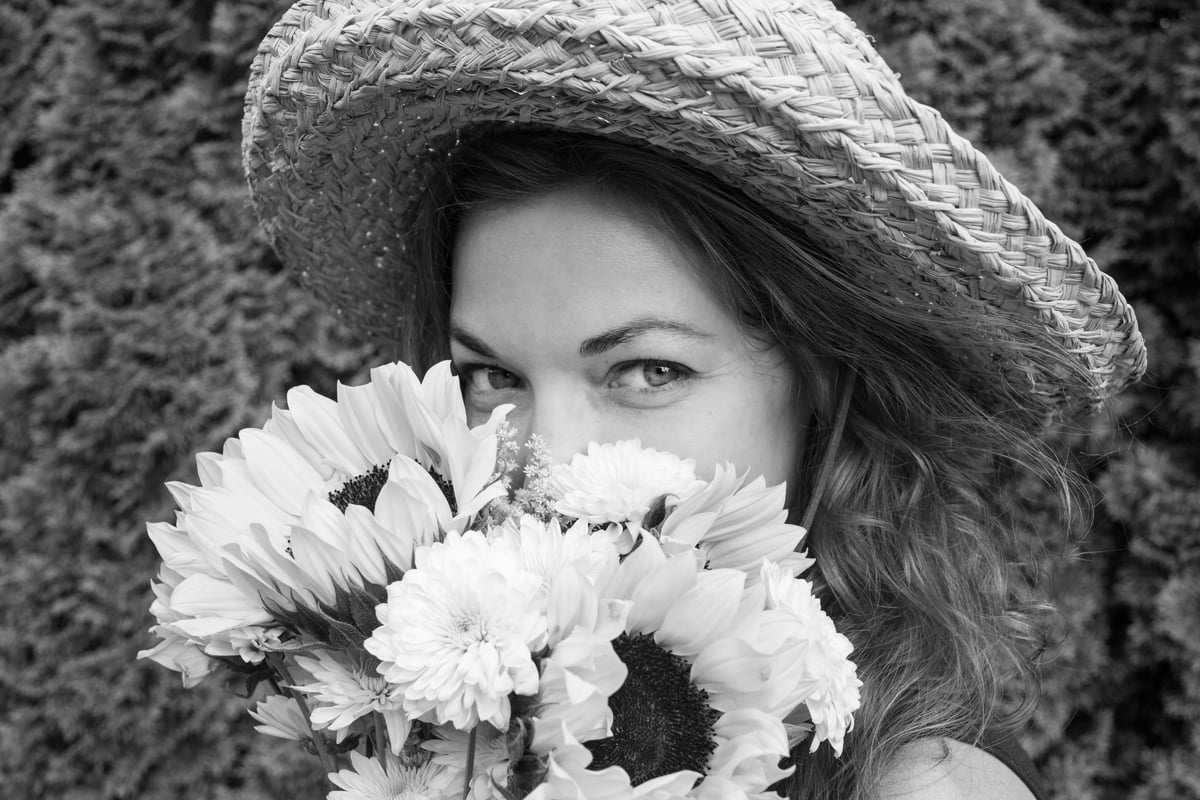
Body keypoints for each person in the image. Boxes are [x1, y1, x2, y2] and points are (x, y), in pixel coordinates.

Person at [241, 1, 1146, 798]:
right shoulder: (476, 725)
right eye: (495, 378)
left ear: (822, 368)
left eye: (648, 371)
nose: (543, 463)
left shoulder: (917, 786)